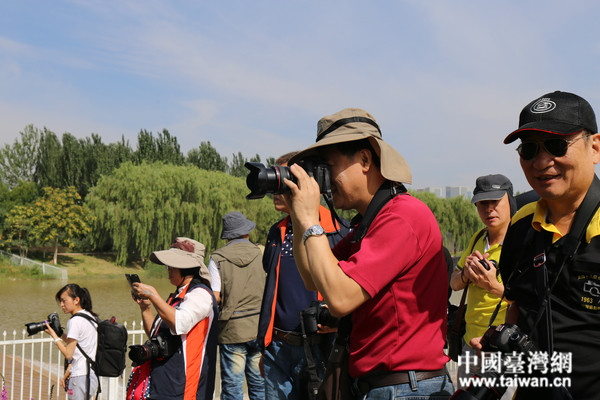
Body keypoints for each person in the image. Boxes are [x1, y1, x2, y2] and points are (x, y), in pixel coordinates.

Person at [286, 108, 453, 399]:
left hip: (405, 388)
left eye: (327, 166)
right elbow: (313, 278)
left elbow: (339, 299)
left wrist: (312, 221)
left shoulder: (402, 216)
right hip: (386, 386)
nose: (322, 180)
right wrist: (299, 218)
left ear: (365, 160)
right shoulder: (368, 224)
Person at [472, 91, 600, 399]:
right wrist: (502, 348)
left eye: (557, 145)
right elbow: (519, 304)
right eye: (529, 150)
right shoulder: (521, 226)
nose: (541, 162)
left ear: (595, 147)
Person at [257, 151, 349, 400]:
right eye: (276, 180)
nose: (277, 189)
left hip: (322, 348)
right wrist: (265, 343)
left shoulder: (341, 232)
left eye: (286, 179)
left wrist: (338, 319)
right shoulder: (276, 232)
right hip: (278, 347)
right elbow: (273, 287)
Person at [128, 237, 218, 400]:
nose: (168, 268)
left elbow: (180, 324)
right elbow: (154, 336)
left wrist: (154, 296)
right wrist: (146, 307)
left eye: (173, 265)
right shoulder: (176, 296)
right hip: (164, 382)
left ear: (188, 268)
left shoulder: (201, 294)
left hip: (186, 386)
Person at [449, 174, 514, 395]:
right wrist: (466, 274)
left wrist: (492, 285)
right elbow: (454, 283)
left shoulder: (521, 242)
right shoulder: (478, 238)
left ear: (509, 201)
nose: (489, 209)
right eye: (482, 204)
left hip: (503, 350)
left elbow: (531, 302)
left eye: (495, 202)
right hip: (470, 345)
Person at [208, 211, 265, 400]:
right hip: (259, 327)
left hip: (232, 330)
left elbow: (214, 297)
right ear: (247, 231)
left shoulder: (217, 258)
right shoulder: (261, 252)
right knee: (259, 384)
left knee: (232, 386)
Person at [45, 283, 99, 400]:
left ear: (76, 300)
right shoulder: (90, 317)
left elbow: (68, 353)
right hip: (91, 375)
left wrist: (55, 336)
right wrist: (61, 335)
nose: (62, 305)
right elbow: (80, 344)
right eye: (60, 301)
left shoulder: (75, 321)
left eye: (64, 301)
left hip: (79, 377)